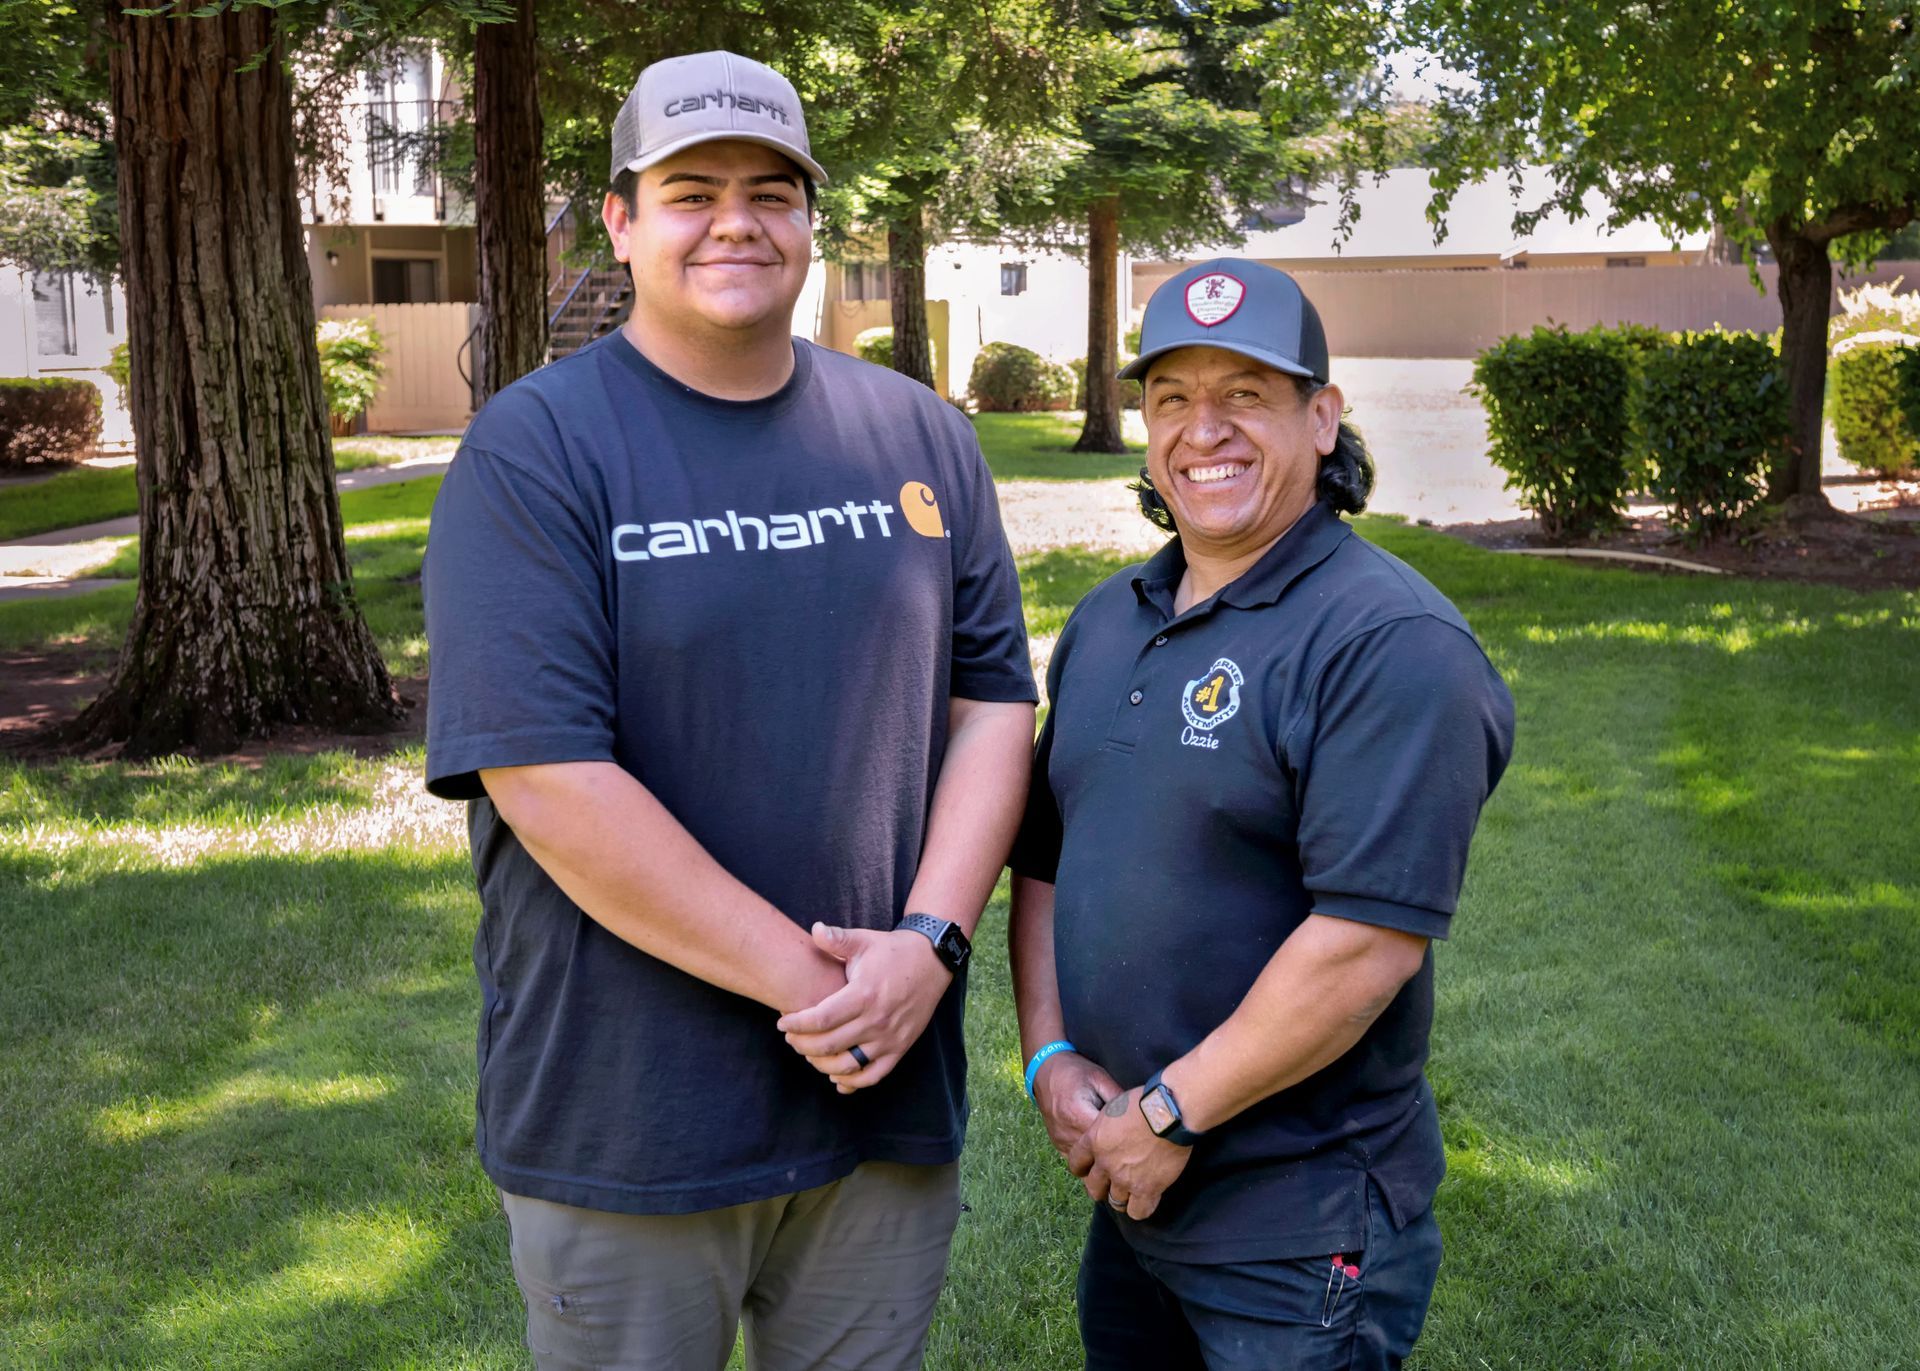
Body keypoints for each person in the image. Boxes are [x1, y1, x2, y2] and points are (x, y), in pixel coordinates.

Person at [422, 50, 1036, 1371]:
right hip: (632, 1112)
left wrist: (929, 943)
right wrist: (830, 991)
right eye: (691, 193)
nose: (735, 223)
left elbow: (991, 703)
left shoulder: (921, 436)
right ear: (621, 222)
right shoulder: (536, 449)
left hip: (882, 1105)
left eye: (770, 191)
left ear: (811, 218)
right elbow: (545, 776)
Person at [1008, 258, 1515, 1370]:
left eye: (1245, 394)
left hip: (1298, 1220)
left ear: (1322, 419)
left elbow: (1365, 942)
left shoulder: (1391, 645)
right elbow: (1044, 857)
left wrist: (1168, 1114)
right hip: (1132, 1192)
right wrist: (1050, 1054)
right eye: (1173, 398)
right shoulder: (1108, 618)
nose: (1205, 431)